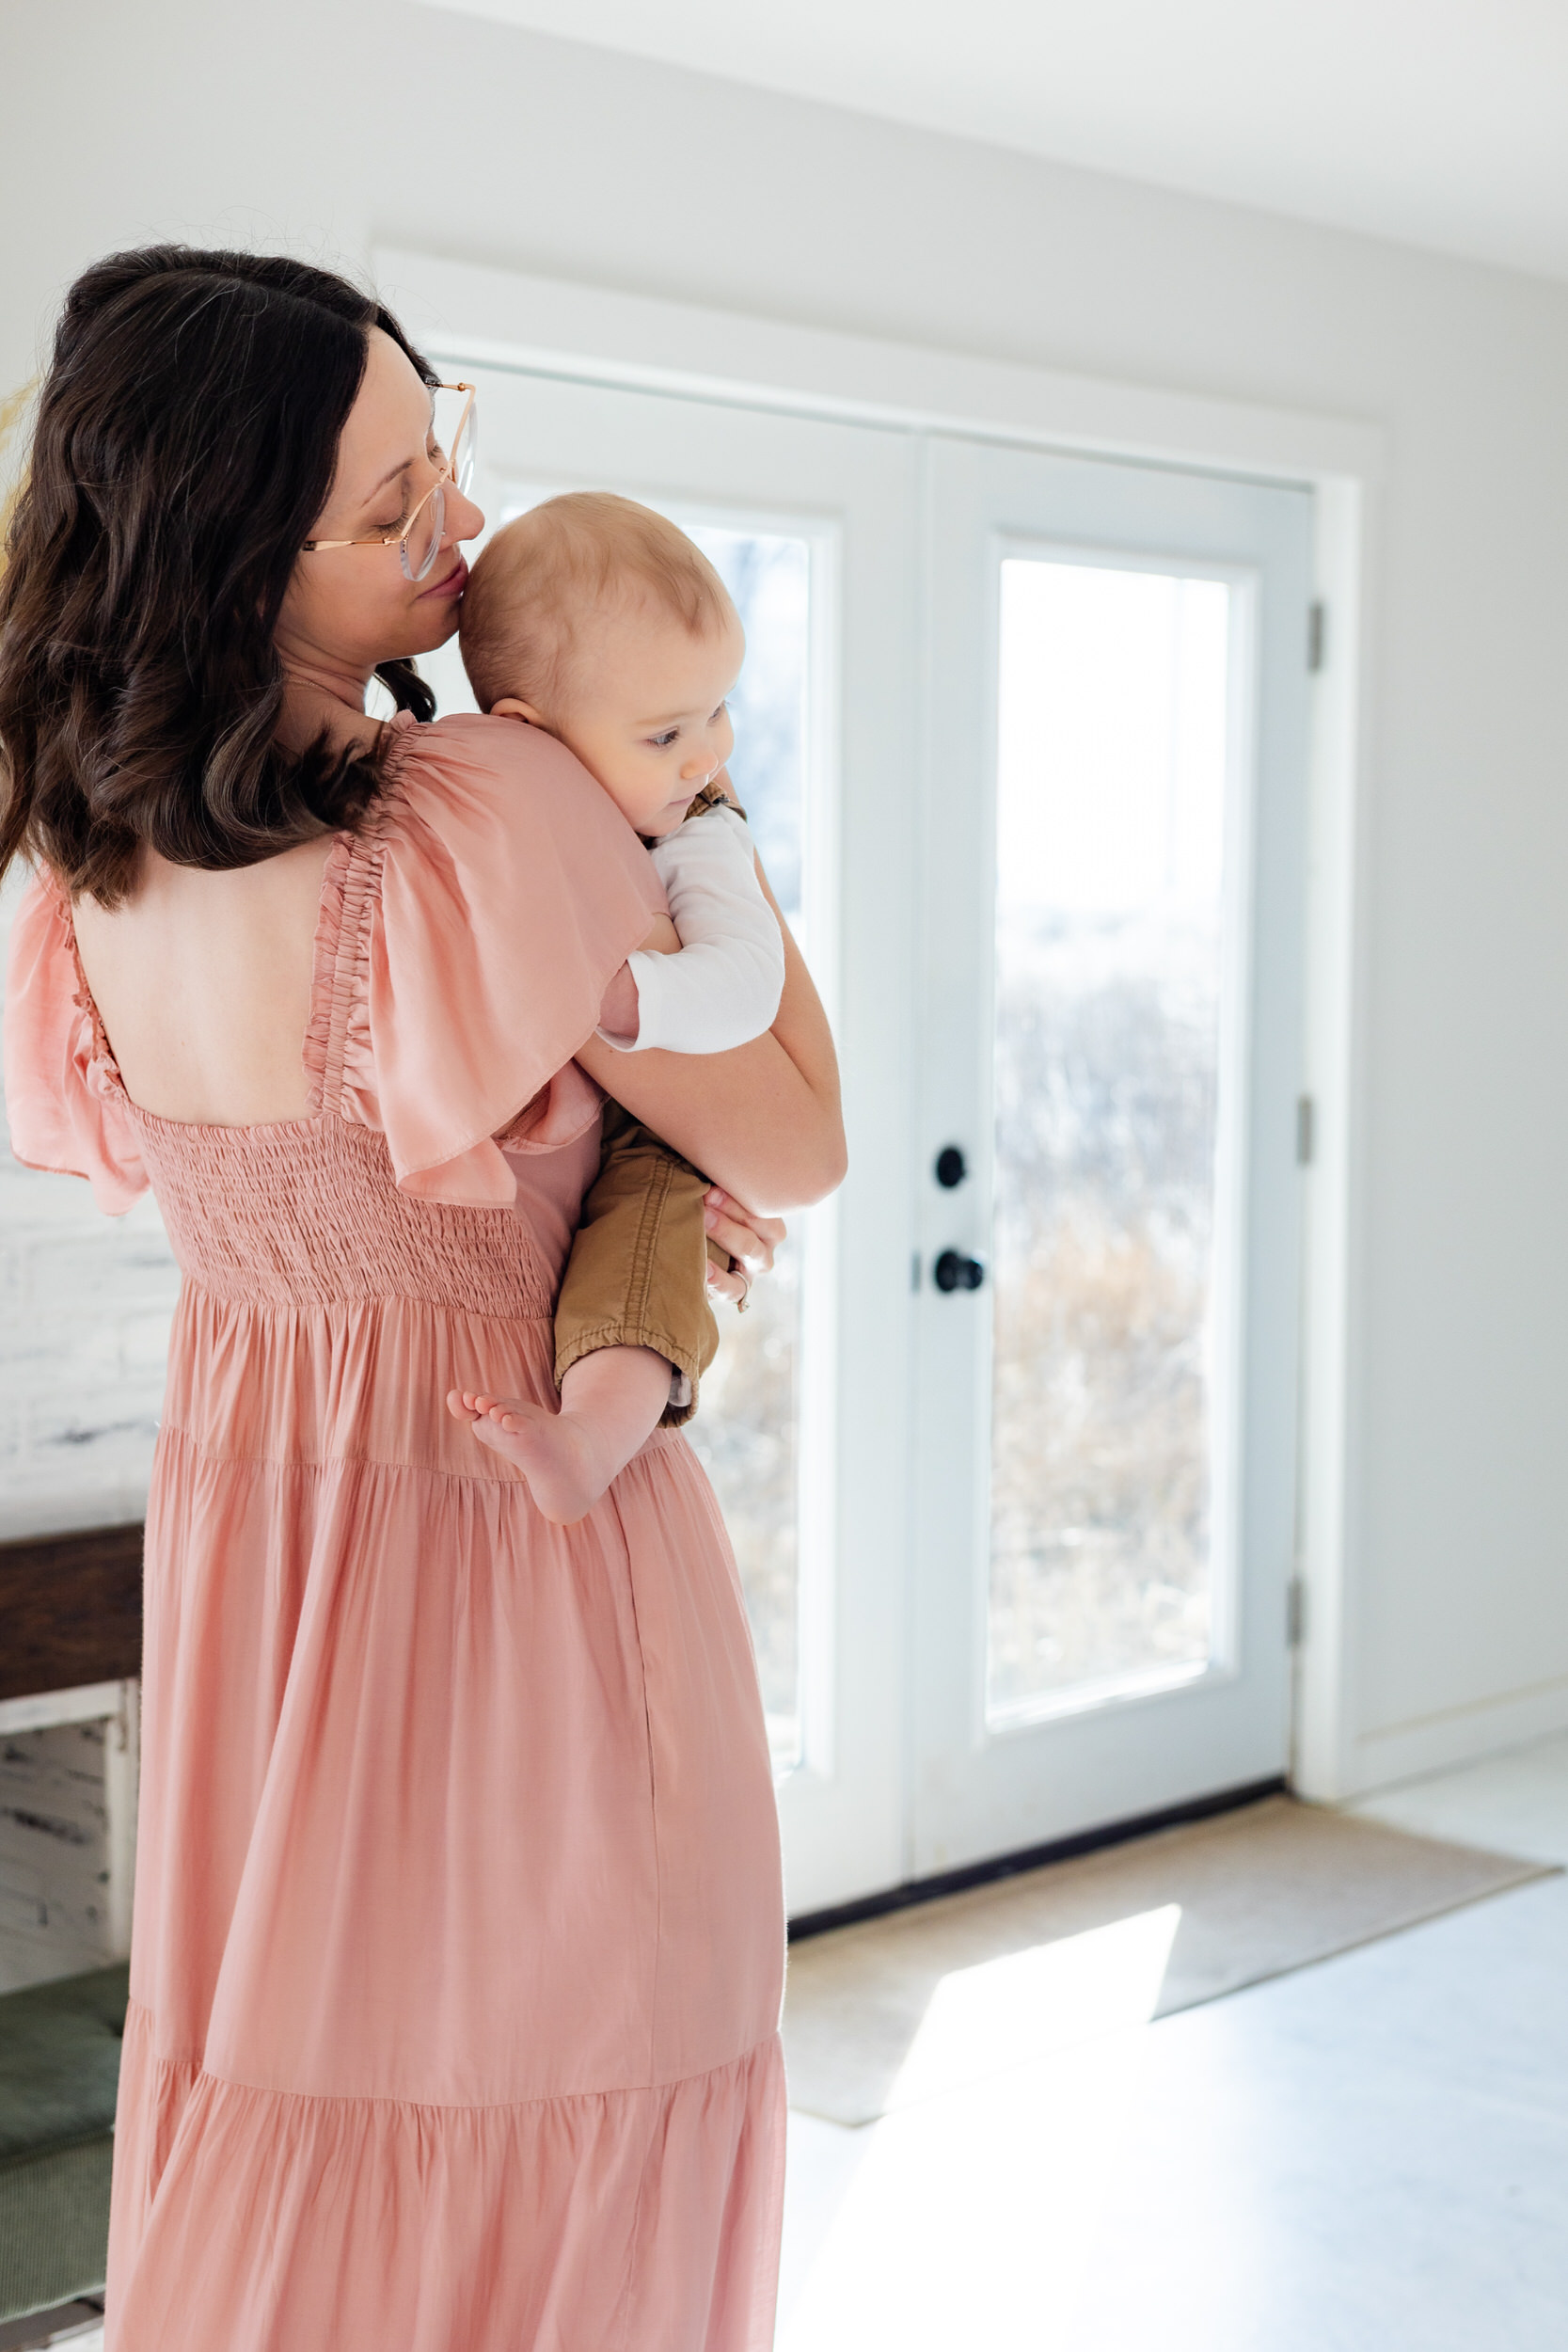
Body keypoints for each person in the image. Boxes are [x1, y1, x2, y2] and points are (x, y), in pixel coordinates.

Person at [0, 246, 845, 2352]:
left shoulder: (75, 877)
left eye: (443, 454)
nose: (455, 530)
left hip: (262, 1545)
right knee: (575, 2118)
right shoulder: (481, 812)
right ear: (229, 551)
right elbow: (803, 1134)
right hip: (512, 1542)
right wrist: (699, 798)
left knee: (289, 2098)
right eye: (389, 507)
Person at [450, 492, 787, 1524]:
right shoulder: (494, 794)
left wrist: (618, 999)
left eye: (717, 708)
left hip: (664, 1119)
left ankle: (591, 1439)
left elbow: (747, 980)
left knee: (647, 1243)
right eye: (665, 732)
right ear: (532, 736)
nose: (706, 754)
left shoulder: (698, 829)